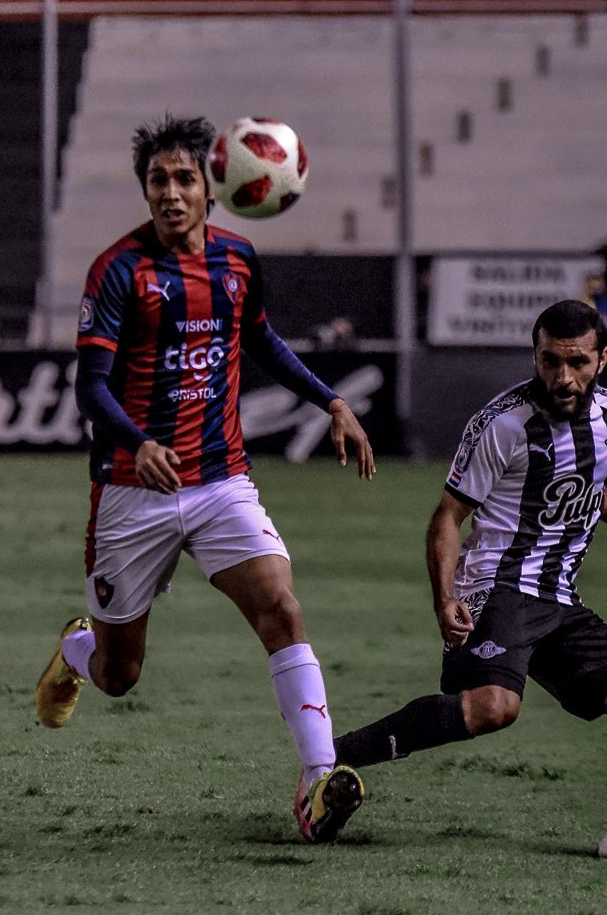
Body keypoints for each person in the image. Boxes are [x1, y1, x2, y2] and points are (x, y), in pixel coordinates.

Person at [35, 115, 376, 844]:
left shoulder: (238, 260)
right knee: (122, 675)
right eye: (157, 180)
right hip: (134, 487)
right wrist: (138, 440)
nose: (170, 192)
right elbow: (90, 386)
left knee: (281, 609)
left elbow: (261, 340)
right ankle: (75, 652)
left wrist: (333, 400)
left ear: (213, 187)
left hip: (221, 480)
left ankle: (318, 784)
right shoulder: (120, 270)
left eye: (184, 178)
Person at [331, 299, 607, 859]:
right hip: (496, 587)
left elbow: (595, 488)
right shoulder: (503, 424)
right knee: (494, 706)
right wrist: (444, 598)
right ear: (535, 355)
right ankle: (332, 759)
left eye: (577, 362)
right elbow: (448, 517)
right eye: (550, 361)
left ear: (602, 359)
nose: (562, 377)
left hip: (558, 597)